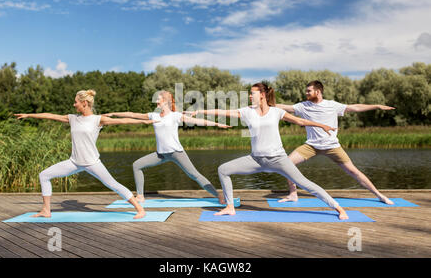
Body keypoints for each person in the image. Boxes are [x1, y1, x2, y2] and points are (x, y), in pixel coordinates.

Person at [189, 83, 349, 219]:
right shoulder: (247, 111)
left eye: (253, 94)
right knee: (223, 170)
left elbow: (300, 120)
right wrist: (201, 112)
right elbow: (224, 112)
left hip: (278, 159)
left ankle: (337, 207)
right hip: (256, 160)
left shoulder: (276, 112)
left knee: (305, 184)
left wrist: (322, 125)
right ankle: (230, 207)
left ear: (263, 95)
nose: (250, 97)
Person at [14, 90, 156, 219]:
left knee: (113, 184)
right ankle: (46, 210)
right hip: (74, 162)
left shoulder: (98, 120)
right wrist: (29, 115)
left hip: (92, 162)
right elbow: (50, 116)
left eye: (76, 102)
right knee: (44, 175)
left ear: (84, 103)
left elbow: (123, 120)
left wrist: (145, 122)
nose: (74, 104)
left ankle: (140, 209)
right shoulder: (72, 118)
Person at [276, 80, 395, 205]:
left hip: (332, 146)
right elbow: (284, 107)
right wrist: (262, 104)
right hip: (311, 145)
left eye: (308, 91)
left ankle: (379, 195)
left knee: (353, 171)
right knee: (287, 164)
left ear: (318, 91)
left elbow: (354, 107)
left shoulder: (332, 105)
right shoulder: (303, 106)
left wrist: (376, 106)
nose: (306, 93)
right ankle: (293, 194)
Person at [105, 90, 230, 204]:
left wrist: (218, 124)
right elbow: (132, 114)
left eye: (158, 99)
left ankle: (218, 195)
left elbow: (198, 121)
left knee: (194, 175)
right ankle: (140, 196)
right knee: (137, 165)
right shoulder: (153, 115)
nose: (156, 102)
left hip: (176, 152)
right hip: (161, 154)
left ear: (165, 101)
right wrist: (114, 113)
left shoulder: (175, 116)